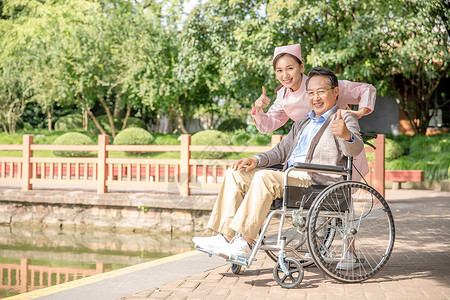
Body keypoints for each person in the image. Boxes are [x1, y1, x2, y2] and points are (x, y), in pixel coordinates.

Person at [193, 68, 364, 270]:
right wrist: (256, 159)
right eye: (310, 93)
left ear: (335, 92)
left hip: (316, 181)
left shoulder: (344, 118)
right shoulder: (303, 122)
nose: (315, 98)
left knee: (264, 178)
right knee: (235, 174)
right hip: (291, 176)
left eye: (321, 91)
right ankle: (226, 238)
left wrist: (346, 136)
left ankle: (245, 244)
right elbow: (280, 151)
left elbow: (356, 148)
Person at [252, 44, 375, 180]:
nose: (285, 75)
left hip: (336, 146)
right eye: (279, 70)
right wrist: (258, 110)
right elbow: (268, 125)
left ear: (301, 67)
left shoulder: (319, 83)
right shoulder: (283, 95)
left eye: (290, 68)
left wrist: (359, 112)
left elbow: (366, 90)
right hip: (306, 150)